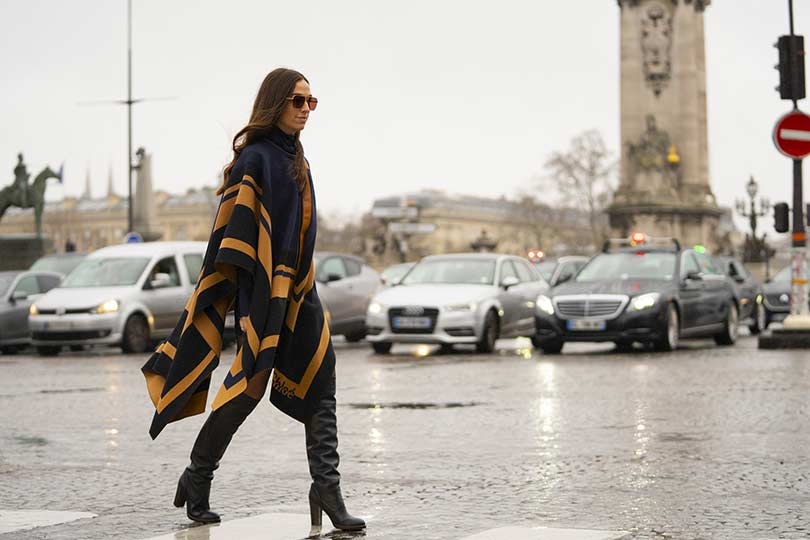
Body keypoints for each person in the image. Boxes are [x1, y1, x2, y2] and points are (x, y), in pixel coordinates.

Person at [141, 68, 365, 532]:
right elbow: (234, 237)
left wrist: (299, 282)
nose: (306, 109)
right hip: (263, 294)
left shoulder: (298, 159)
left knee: (321, 381)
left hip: (300, 291)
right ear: (276, 103)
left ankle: (327, 488)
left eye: (311, 101)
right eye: (297, 101)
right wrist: (248, 303)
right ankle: (198, 475)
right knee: (248, 390)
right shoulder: (255, 159)